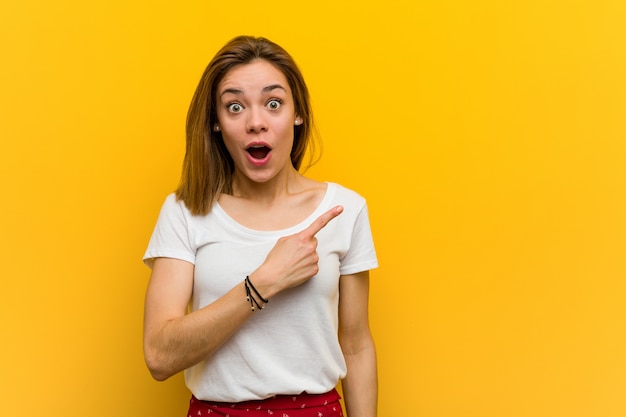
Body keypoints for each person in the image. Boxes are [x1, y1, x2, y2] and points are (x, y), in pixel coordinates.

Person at [142, 35, 378, 417]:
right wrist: (264, 282)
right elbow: (159, 355)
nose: (256, 123)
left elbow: (355, 345)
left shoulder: (345, 209)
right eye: (234, 107)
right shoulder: (185, 211)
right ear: (217, 124)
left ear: (297, 113)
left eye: (273, 103)